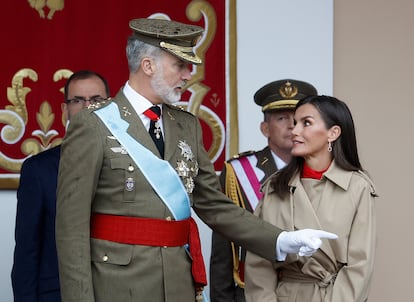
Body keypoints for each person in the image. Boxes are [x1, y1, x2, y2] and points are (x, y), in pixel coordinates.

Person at [55, 18, 337, 302]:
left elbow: (214, 205)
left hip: (178, 284)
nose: (188, 74)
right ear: (148, 65)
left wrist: (280, 240)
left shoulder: (186, 126)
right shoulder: (94, 125)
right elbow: (71, 228)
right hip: (119, 287)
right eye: (179, 65)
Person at [244, 95, 377, 302]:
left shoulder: (357, 188)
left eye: (306, 123)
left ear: (333, 133)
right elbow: (259, 262)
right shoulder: (275, 186)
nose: (294, 130)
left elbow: (360, 266)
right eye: (295, 123)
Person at [210, 79, 318, 302]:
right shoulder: (238, 172)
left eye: (298, 119)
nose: (292, 125)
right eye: (282, 118)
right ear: (265, 128)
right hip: (251, 292)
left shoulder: (323, 170)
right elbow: (223, 252)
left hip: (310, 291)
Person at [11, 70, 110, 302]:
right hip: (57, 294)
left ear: (110, 106)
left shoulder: (131, 165)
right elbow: (27, 252)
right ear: (64, 110)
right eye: (77, 100)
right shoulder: (38, 170)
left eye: (96, 100)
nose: (87, 107)